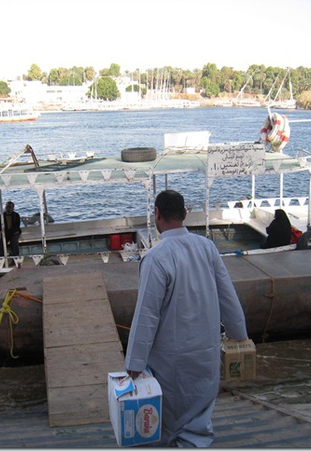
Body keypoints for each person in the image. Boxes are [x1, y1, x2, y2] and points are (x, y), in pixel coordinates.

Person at [124, 190, 248, 447]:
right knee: (200, 416)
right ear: (184, 214)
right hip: (207, 352)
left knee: (171, 419)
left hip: (173, 360)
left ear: (156, 214)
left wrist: (135, 362)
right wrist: (239, 333)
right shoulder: (207, 247)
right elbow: (227, 295)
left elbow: (146, 315)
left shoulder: (156, 259)